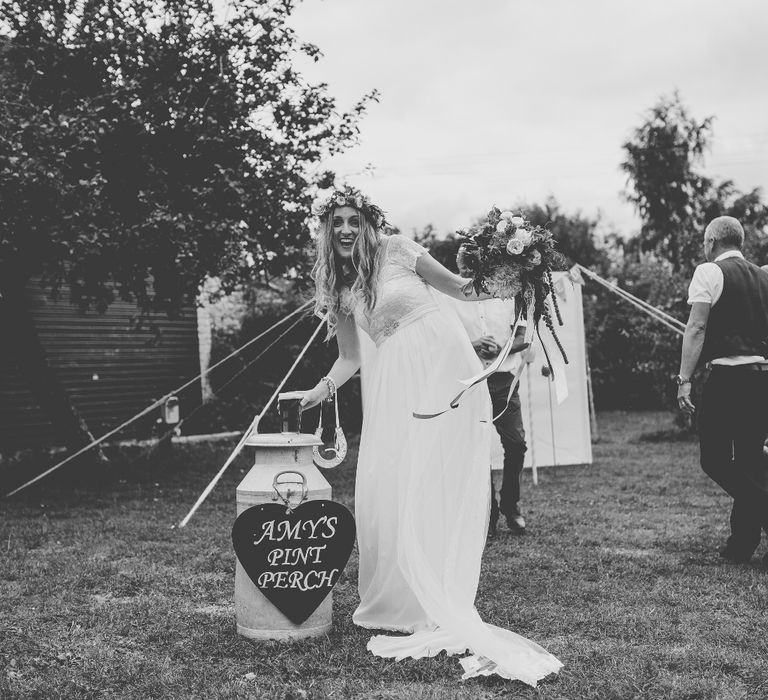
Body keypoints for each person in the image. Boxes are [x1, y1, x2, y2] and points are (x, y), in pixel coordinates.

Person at [297, 186, 562, 685]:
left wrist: (515, 273)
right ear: (328, 231)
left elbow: (462, 290)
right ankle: (405, 598)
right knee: (393, 481)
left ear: (369, 222)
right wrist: (323, 386)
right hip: (394, 380)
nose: (347, 229)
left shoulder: (400, 250)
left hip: (442, 363)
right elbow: (351, 357)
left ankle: (439, 587)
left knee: (436, 475)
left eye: (354, 220)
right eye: (338, 223)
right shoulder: (340, 287)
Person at [677, 216, 768, 567]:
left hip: (728, 379)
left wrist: (684, 378)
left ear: (712, 241)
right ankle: (741, 545)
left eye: (704, 241)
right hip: (760, 378)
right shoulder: (764, 276)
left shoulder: (708, 272)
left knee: (713, 460)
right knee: (748, 461)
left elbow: (696, 326)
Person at [451, 294, 529, 537]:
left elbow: (523, 338)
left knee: (516, 444)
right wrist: (470, 344)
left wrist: (501, 350)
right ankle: (489, 513)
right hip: (470, 380)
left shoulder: (509, 296)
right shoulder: (450, 296)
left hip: (504, 380)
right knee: (478, 449)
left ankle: (510, 503)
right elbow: (442, 338)